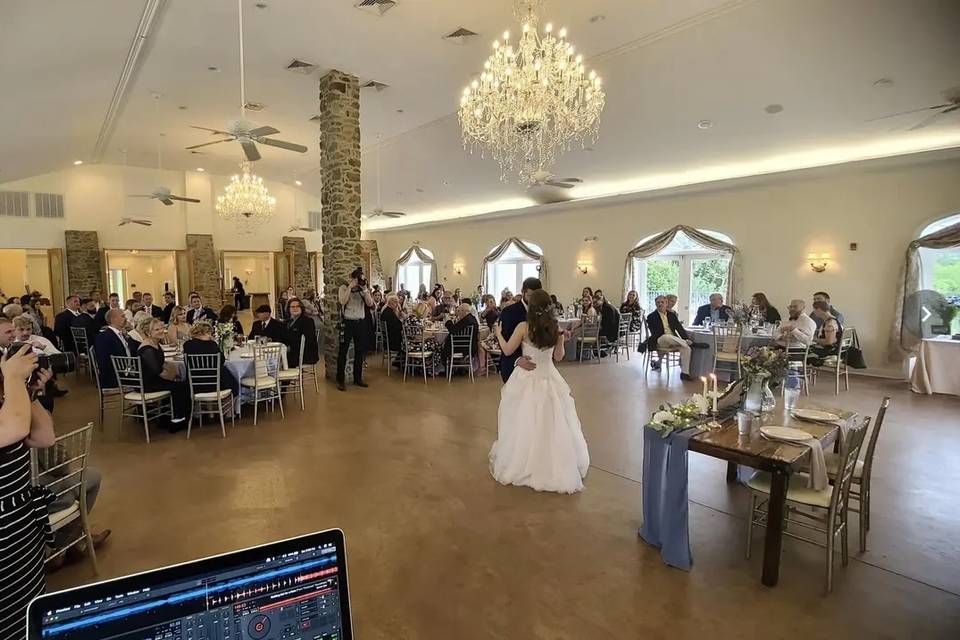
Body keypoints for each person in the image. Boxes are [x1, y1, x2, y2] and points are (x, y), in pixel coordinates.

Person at [490, 288, 589, 494]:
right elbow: (559, 357)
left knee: (525, 421)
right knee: (552, 421)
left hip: (527, 379)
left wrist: (499, 333)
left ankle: (527, 462)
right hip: (549, 377)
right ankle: (553, 461)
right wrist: (561, 340)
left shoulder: (524, 327)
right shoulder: (555, 328)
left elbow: (507, 350)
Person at [0, 345, 57, 640]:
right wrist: (11, 380)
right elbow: (14, 430)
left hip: (22, 535)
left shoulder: (8, 402)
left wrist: (29, 391)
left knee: (29, 616)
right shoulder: (9, 412)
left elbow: (44, 436)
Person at [139, 317, 190, 430]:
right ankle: (178, 419)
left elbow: (162, 364)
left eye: (162, 328)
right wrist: (173, 376)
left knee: (180, 383)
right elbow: (159, 372)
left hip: (154, 379)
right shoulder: (147, 349)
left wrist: (174, 374)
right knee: (181, 386)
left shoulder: (155, 344)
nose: (161, 331)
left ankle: (170, 416)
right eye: (157, 329)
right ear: (148, 332)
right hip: (147, 383)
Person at [497, 277, 543, 383]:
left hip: (539, 367)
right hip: (514, 365)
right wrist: (517, 359)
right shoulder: (509, 312)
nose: (533, 300)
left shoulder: (543, 312)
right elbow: (504, 340)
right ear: (523, 292)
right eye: (530, 296)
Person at [336, 267, 375, 391]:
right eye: (356, 278)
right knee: (343, 351)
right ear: (351, 278)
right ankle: (340, 380)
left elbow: (370, 304)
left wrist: (364, 289)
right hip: (347, 322)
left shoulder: (363, 289)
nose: (358, 281)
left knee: (360, 351)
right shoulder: (343, 287)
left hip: (360, 322)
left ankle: (358, 378)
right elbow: (342, 301)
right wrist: (350, 287)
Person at [183, 321, 239, 397]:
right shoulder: (212, 345)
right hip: (215, 384)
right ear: (204, 333)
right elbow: (222, 360)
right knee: (231, 380)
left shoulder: (187, 345)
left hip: (194, 384)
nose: (210, 336)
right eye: (209, 333)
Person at [645, 295, 694, 380]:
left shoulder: (672, 315)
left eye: (662, 302)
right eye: (658, 302)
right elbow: (655, 333)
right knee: (666, 337)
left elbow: (679, 328)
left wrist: (686, 338)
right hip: (659, 340)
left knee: (686, 349)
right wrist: (685, 341)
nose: (660, 304)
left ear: (666, 303)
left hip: (673, 340)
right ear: (655, 304)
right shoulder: (651, 316)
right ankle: (691, 343)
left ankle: (685, 373)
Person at [94, 310, 141, 390]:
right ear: (113, 320)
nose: (126, 318)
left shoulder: (121, 333)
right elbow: (105, 363)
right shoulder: (104, 337)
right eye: (123, 316)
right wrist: (129, 371)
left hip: (127, 372)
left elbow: (137, 346)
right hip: (116, 378)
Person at [285, 298, 319, 368]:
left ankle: (286, 377)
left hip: (304, 354)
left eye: (298, 306)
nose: (295, 308)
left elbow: (308, 340)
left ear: (301, 308)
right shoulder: (287, 322)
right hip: (291, 352)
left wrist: (290, 347)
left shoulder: (308, 321)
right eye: (292, 307)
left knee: (279, 361)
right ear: (289, 309)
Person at [808, 301, 843, 365]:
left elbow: (829, 342)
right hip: (833, 349)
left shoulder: (830, 323)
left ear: (818, 309)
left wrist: (814, 339)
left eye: (814, 310)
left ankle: (800, 372)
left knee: (804, 352)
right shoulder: (833, 319)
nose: (814, 312)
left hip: (830, 351)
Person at [379, 294, 405, 360]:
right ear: (391, 303)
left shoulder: (388, 311)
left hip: (389, 339)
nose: (397, 305)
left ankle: (400, 362)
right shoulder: (389, 313)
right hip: (392, 341)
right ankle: (404, 363)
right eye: (396, 302)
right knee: (408, 342)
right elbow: (396, 327)